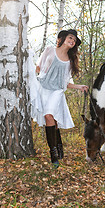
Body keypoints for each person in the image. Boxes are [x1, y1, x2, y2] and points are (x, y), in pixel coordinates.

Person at [30, 29, 88, 168]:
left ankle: (53, 154)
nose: (72, 41)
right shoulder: (49, 50)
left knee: (49, 115)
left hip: (56, 91)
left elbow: (65, 82)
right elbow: (38, 67)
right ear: (62, 38)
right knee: (52, 121)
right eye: (70, 37)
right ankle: (59, 147)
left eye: (74, 40)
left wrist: (79, 87)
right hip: (43, 87)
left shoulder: (70, 61)